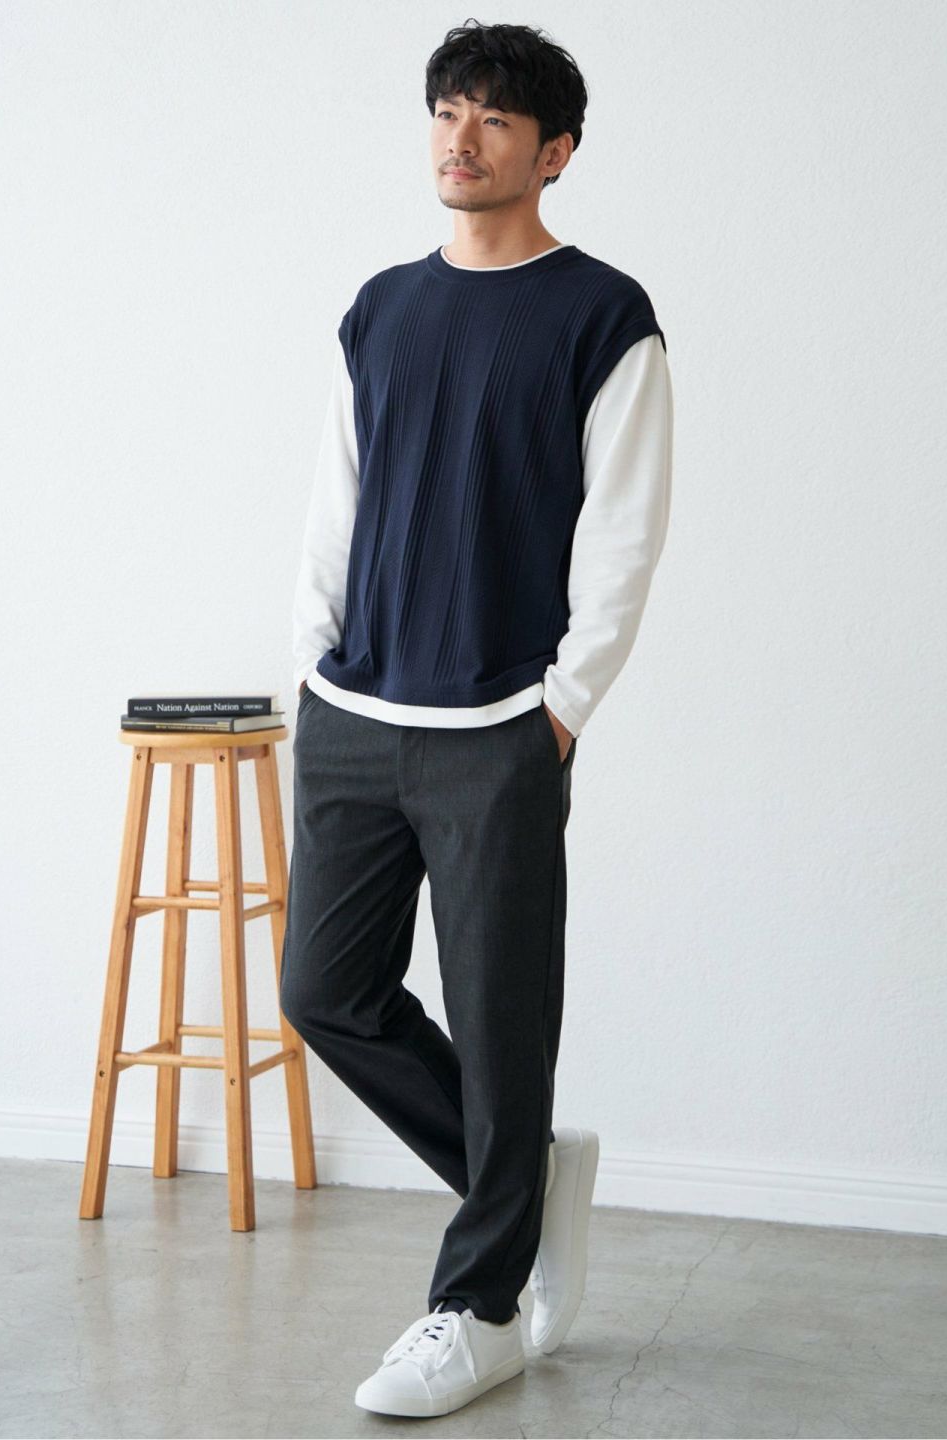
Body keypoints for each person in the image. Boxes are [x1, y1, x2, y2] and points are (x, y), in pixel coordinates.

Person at [280, 19, 674, 1420]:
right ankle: (527, 1181)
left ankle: (482, 1307)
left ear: (554, 152)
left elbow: (624, 534)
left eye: (495, 119)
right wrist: (311, 664)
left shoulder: (602, 315)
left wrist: (560, 711)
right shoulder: (382, 306)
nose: (461, 137)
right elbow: (338, 494)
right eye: (448, 110)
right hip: (354, 708)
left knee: (503, 1026)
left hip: (501, 720)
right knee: (325, 992)